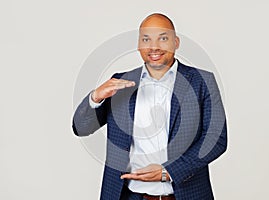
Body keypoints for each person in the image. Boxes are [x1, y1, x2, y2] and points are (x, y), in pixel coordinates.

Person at [72, 13, 227, 200]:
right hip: (127, 196)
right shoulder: (120, 83)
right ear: (139, 45)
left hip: (185, 195)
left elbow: (216, 140)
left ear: (176, 42)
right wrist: (95, 97)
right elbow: (81, 128)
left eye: (163, 38)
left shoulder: (202, 81)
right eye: (146, 39)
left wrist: (168, 172)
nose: (154, 47)